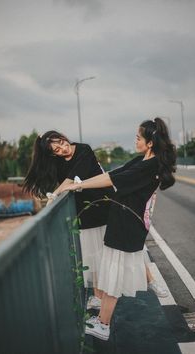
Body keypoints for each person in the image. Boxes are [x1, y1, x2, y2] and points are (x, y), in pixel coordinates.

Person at [60, 117, 176, 340]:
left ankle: (103, 325)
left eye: (137, 137)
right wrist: (80, 183)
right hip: (123, 223)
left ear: (150, 142)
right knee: (111, 271)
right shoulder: (142, 160)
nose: (135, 141)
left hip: (127, 226)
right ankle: (102, 320)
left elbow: (111, 179)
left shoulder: (148, 166)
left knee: (112, 274)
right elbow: (111, 175)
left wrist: (79, 184)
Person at [23, 131, 113, 308]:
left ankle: (110, 294)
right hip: (84, 212)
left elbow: (71, 180)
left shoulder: (84, 150)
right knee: (91, 256)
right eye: (56, 150)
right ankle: (97, 296)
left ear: (63, 138)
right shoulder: (57, 162)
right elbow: (62, 179)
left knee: (106, 254)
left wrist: (54, 195)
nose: (62, 149)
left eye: (61, 143)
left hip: (102, 206)